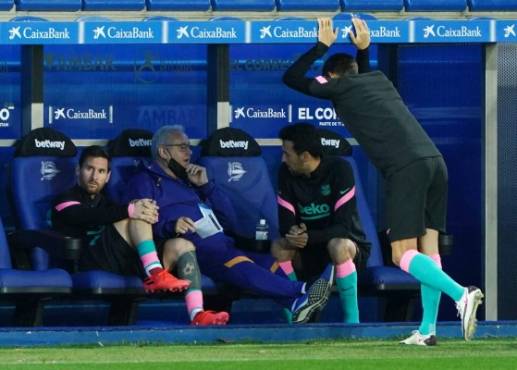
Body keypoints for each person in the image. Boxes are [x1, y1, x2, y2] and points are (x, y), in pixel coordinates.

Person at [282, 17, 483, 343]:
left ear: (331, 77)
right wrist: (365, 50)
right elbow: (357, 75)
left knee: (401, 254)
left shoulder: (340, 85)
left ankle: (462, 294)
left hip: (406, 169)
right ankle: (427, 330)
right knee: (428, 251)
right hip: (435, 163)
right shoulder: (379, 79)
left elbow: (291, 78)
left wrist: (322, 46)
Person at [124, 125, 335, 324]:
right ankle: (303, 289)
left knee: (266, 261)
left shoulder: (188, 181)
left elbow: (228, 220)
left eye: (189, 147)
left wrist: (207, 187)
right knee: (237, 261)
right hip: (189, 249)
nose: (189, 152)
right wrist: (171, 226)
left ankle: (296, 303)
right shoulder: (144, 180)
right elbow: (137, 222)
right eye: (182, 148)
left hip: (221, 243)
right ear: (163, 152)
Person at [51, 145, 228, 326]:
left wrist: (170, 227)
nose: (95, 177)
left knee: (182, 245)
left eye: (101, 171)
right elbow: (86, 216)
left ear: (108, 177)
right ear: (78, 170)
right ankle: (155, 272)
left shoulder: (109, 203)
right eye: (89, 169)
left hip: (125, 259)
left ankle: (197, 314)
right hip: (90, 259)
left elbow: (124, 222)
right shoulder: (64, 199)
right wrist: (131, 209)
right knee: (136, 213)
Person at [272, 123, 370, 324]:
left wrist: (309, 237)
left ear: (305, 156)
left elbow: (344, 227)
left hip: (346, 251)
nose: (283, 159)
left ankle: (352, 322)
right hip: (308, 250)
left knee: (338, 244)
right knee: (279, 246)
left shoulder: (340, 169)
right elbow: (285, 222)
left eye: (287, 154)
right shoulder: (285, 172)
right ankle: (295, 316)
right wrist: (293, 233)